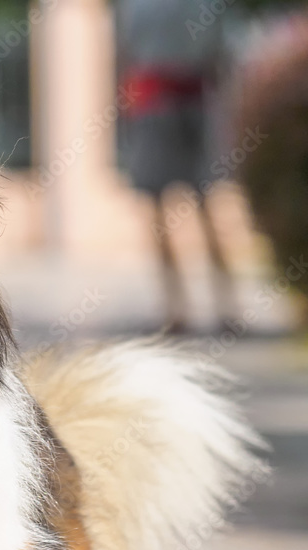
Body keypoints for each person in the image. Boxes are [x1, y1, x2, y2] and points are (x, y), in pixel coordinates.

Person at [118, 0, 239, 333]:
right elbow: (221, 61)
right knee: (191, 206)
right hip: (174, 107)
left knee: (181, 208)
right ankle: (213, 307)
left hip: (166, 109)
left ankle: (186, 309)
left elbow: (124, 57)